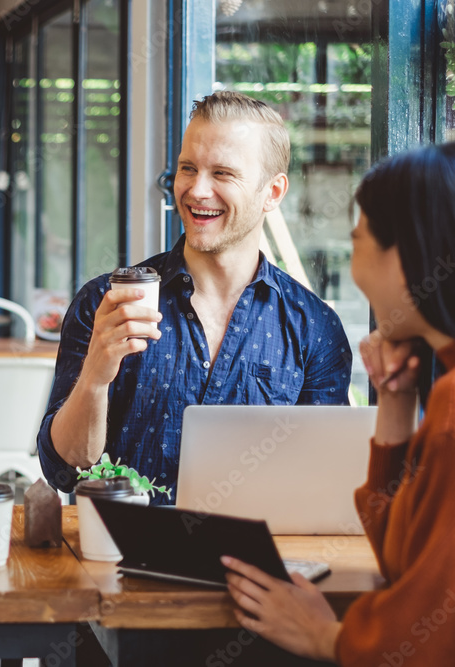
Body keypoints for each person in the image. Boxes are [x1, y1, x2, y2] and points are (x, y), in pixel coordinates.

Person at [37, 91, 352, 498]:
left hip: (249, 555)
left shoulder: (315, 329)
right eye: (189, 168)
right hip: (122, 556)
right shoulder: (105, 302)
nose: (197, 191)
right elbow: (63, 471)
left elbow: (325, 484)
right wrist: (95, 379)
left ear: (272, 192)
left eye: (222, 173)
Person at [223, 143, 455, 665]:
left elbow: (437, 632)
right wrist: (395, 401)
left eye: (358, 242)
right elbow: (403, 559)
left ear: (409, 257)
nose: (354, 267)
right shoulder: (439, 394)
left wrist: (327, 638)